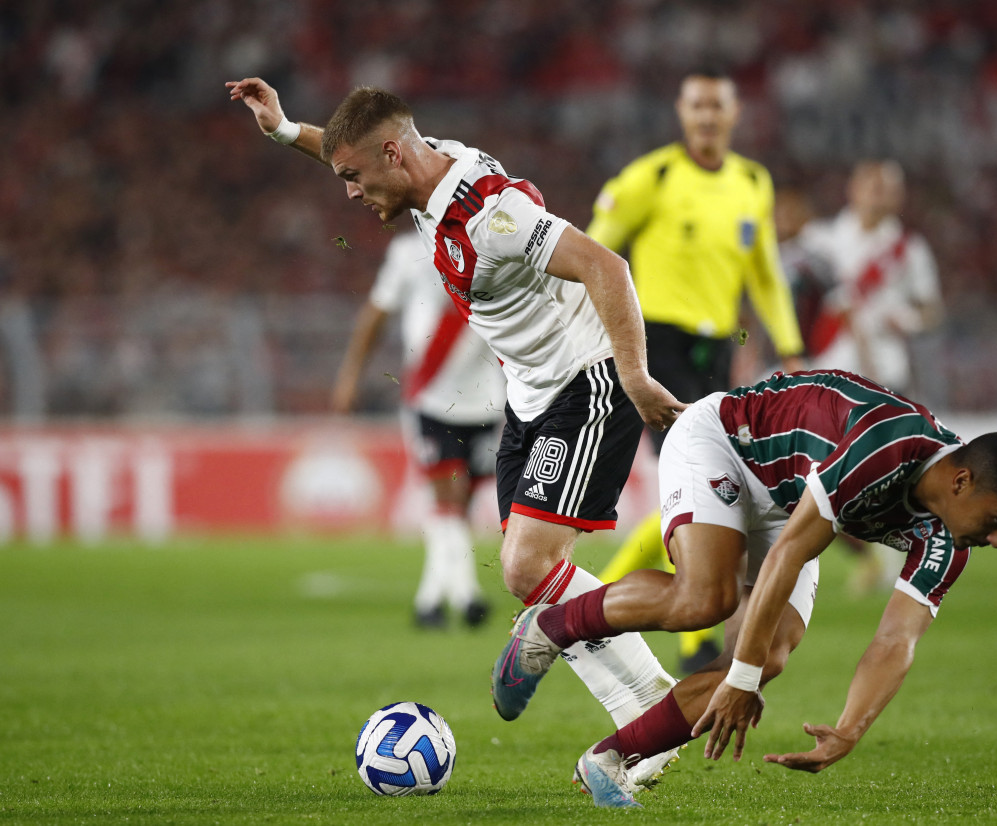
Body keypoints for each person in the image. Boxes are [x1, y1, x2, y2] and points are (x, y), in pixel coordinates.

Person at [226, 77, 687, 786]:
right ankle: (647, 712)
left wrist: (633, 375)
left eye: (353, 178)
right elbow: (351, 150)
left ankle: (656, 718)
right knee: (532, 578)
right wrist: (287, 130)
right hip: (529, 396)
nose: (347, 192)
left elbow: (606, 265)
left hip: (587, 383)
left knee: (527, 567)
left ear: (392, 155)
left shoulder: (489, 217)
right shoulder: (417, 172)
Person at [491, 369, 997, 808]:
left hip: (789, 502)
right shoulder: (885, 450)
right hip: (727, 444)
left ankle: (608, 762)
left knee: (769, 654)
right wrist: (741, 678)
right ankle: (551, 625)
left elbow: (897, 640)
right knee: (706, 600)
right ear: (962, 481)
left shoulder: (950, 541)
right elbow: (788, 556)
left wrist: (850, 729)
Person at [588, 67, 806, 674]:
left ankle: (642, 616)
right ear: (682, 113)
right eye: (697, 106)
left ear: (734, 114)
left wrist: (790, 347)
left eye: (717, 106)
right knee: (706, 484)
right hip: (657, 343)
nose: (707, 116)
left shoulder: (751, 183)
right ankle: (613, 610)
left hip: (716, 348)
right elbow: (590, 251)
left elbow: (763, 272)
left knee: (704, 488)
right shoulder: (652, 177)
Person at [331, 229, 504, 629]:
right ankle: (466, 595)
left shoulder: (493, 243)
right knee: (448, 495)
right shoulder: (410, 250)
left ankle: (429, 599)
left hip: (486, 401)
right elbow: (377, 311)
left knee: (457, 506)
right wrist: (350, 374)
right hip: (430, 396)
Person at [800, 160, 946, 595]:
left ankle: (896, 552)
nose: (879, 194)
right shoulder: (820, 239)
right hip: (827, 372)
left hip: (885, 373)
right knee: (815, 471)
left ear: (898, 196)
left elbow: (930, 308)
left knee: (884, 476)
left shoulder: (908, 248)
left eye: (888, 187)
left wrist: (907, 320)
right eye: (872, 185)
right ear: (854, 188)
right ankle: (867, 555)